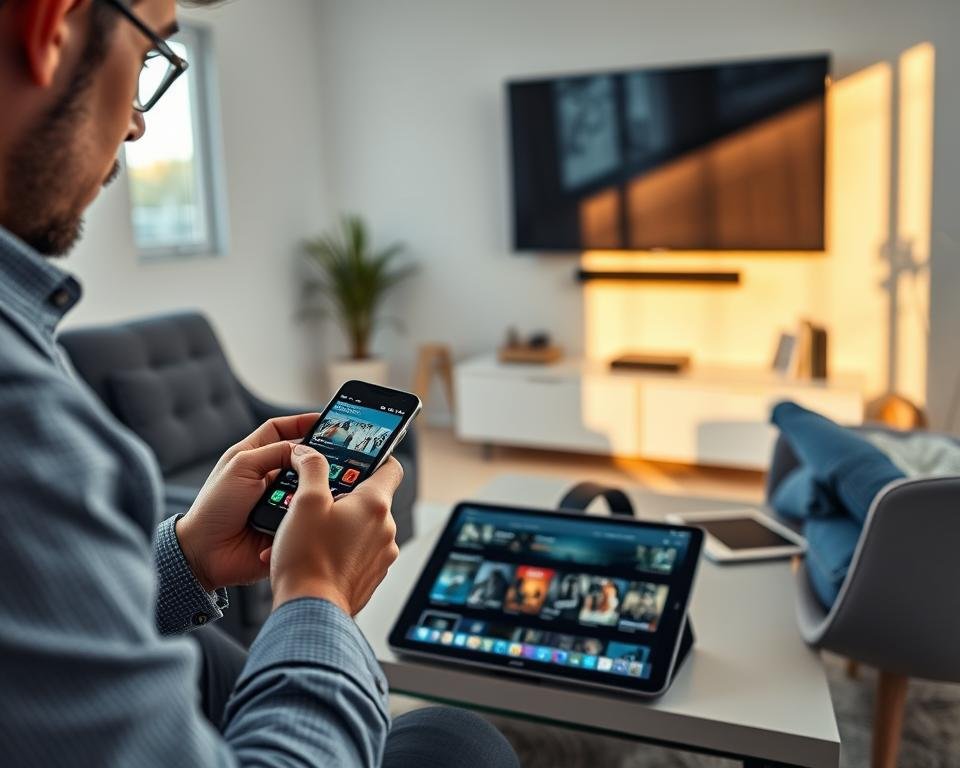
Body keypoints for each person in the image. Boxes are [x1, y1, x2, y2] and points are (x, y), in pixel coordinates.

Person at [0, 1, 519, 766]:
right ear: (51, 27)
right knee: (456, 741)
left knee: (225, 666)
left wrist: (187, 556)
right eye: (149, 59)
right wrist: (317, 594)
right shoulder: (23, 420)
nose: (139, 125)